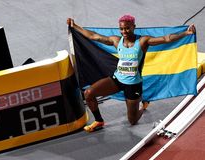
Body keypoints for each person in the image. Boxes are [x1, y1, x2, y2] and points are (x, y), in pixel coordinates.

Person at [67, 15, 196, 132]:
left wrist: (186, 33)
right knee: (88, 93)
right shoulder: (116, 41)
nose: (124, 32)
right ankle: (99, 120)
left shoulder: (142, 42)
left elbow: (166, 39)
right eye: (121, 29)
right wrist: (75, 25)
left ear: (134, 27)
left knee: (132, 121)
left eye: (127, 29)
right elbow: (93, 36)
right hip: (117, 80)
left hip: (133, 85)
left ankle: (142, 104)